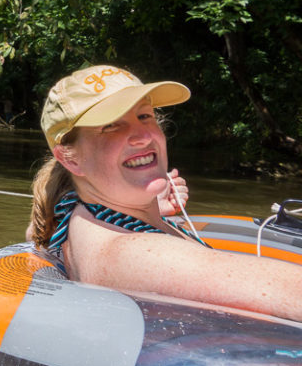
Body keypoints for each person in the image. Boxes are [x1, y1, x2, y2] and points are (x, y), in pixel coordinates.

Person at [28, 64, 302, 321]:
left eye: (144, 115)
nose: (143, 135)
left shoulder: (77, 215)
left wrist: (148, 208)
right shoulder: (132, 255)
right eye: (110, 125)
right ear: (70, 158)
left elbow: (35, 230)